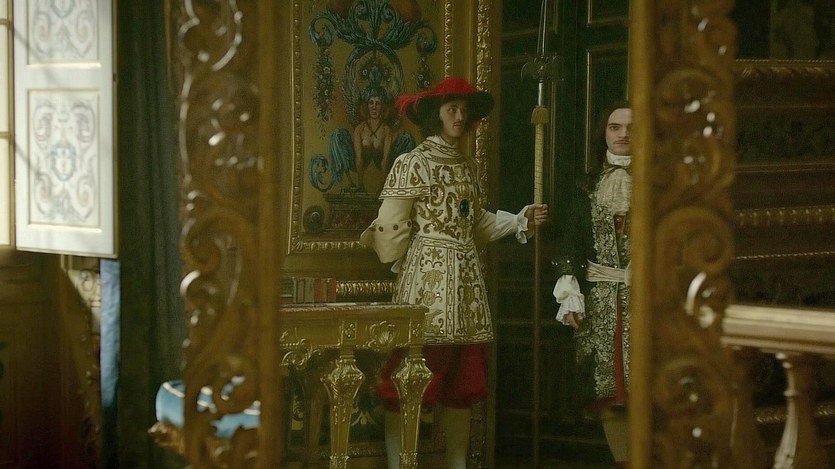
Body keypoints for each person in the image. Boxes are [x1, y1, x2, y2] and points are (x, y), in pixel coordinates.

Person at [360, 76, 548, 469]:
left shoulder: (467, 166)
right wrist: (405, 265)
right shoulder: (411, 163)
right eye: (451, 109)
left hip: (467, 286)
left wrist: (519, 220)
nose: (459, 117)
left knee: (463, 383)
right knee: (409, 381)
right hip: (426, 284)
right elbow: (390, 224)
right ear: (436, 115)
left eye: (464, 110)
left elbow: (474, 224)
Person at [552, 102, 633, 468]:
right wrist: (570, 295)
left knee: (646, 390)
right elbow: (570, 243)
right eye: (615, 127)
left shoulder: (660, 184)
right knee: (609, 393)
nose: (623, 134)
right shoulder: (585, 186)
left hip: (646, 300)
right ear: (604, 133)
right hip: (600, 300)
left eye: (631, 128)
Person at [354, 89, 394, 192]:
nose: (374, 107)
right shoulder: (359, 129)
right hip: (364, 170)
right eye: (371, 103)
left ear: (382, 107)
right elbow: (359, 158)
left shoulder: (386, 130)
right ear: (367, 106)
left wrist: (382, 188)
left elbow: (385, 159)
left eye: (378, 103)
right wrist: (360, 185)